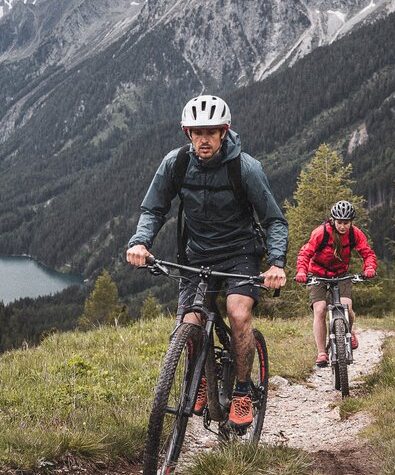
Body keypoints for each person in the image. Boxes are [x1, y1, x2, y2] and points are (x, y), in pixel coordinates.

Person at [126, 93, 288, 430]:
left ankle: (243, 392)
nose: (204, 139)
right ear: (187, 133)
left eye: (211, 132)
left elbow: (274, 220)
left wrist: (275, 263)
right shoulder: (176, 163)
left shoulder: (245, 168)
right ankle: (200, 376)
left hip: (239, 253)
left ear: (224, 132)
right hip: (196, 255)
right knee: (191, 321)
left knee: (238, 313)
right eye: (197, 132)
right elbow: (153, 208)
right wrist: (140, 241)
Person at [295, 200, 377, 367]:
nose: (343, 226)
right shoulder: (321, 233)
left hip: (340, 274)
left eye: (346, 223)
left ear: (351, 222)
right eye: (339, 222)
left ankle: (349, 331)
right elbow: (305, 253)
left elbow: (368, 253)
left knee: (347, 307)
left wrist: (369, 268)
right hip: (318, 274)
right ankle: (322, 353)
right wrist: (302, 272)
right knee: (320, 309)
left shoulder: (355, 234)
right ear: (333, 220)